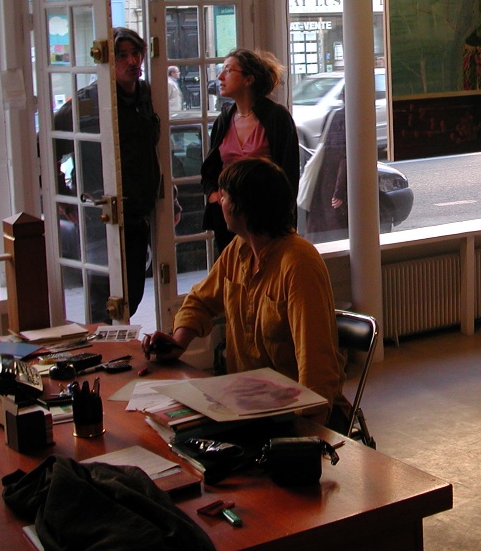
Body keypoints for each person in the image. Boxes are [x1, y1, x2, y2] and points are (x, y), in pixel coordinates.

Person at [142, 157, 347, 424]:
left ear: (244, 208)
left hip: (294, 412)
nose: (218, 201)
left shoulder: (299, 263)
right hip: (247, 405)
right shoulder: (239, 250)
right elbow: (201, 301)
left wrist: (307, 435)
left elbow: (316, 363)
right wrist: (178, 342)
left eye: (224, 196)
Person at [54, 27, 161, 323]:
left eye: (136, 53)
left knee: (132, 294)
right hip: (100, 216)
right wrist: (64, 198)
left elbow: (155, 153)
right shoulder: (87, 102)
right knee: (103, 298)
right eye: (122, 56)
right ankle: (102, 348)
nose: (132, 61)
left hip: (137, 212)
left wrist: (170, 198)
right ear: (107, 61)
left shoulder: (146, 95)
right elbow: (49, 148)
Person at [201, 49, 299, 256]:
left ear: (248, 79)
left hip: (266, 219)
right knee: (232, 271)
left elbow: (289, 172)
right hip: (229, 218)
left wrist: (284, 216)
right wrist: (213, 195)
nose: (220, 76)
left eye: (228, 70)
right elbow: (210, 169)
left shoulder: (276, 117)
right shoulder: (224, 119)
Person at [303, 105, 348, 242]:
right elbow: (344, 156)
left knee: (320, 227)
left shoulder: (332, 114)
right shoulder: (349, 118)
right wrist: (339, 191)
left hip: (323, 180)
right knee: (336, 229)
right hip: (335, 183)